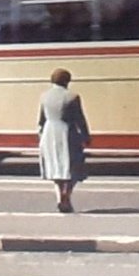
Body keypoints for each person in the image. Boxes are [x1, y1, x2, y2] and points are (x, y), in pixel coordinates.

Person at [37, 67, 91, 213]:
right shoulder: (72, 96)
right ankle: (67, 194)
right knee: (71, 166)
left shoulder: (44, 96)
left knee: (55, 167)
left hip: (49, 132)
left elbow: (41, 120)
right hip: (67, 132)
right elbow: (80, 118)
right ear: (67, 80)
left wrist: (41, 136)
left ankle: (60, 197)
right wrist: (86, 135)